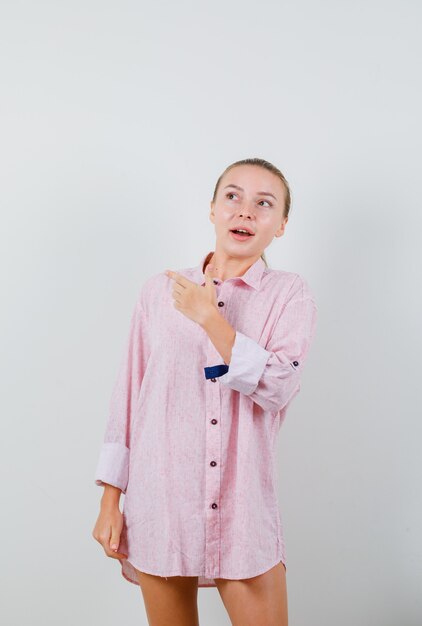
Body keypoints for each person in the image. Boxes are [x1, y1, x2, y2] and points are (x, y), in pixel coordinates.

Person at [92, 157, 318, 626]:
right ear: (213, 209)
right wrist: (110, 500)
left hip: (242, 510)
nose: (245, 212)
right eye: (233, 197)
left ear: (281, 225)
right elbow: (128, 398)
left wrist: (211, 319)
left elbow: (277, 387)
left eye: (264, 204)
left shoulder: (289, 295)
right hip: (161, 503)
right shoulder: (159, 292)